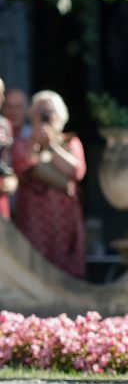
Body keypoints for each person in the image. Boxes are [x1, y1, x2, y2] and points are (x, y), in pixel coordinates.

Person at [9, 90, 86, 276]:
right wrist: (36, 142)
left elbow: (77, 171)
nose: (44, 116)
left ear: (60, 116)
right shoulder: (23, 143)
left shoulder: (71, 142)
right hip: (34, 221)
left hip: (65, 223)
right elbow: (22, 164)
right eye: (39, 112)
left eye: (49, 112)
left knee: (66, 269)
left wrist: (51, 145)